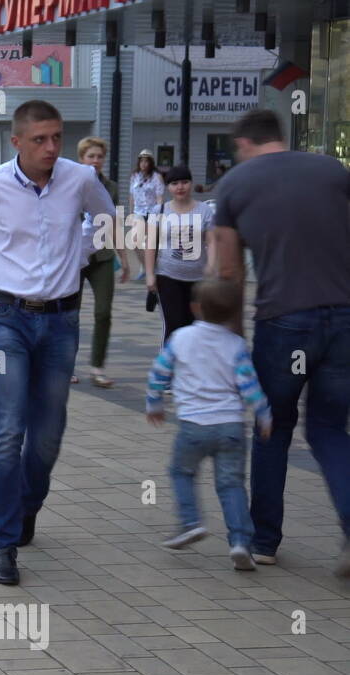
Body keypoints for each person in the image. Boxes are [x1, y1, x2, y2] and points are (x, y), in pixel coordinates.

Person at [0, 100, 117, 585]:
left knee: (49, 432)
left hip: (60, 322)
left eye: (56, 137)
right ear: (16, 142)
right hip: (2, 319)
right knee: (6, 429)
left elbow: (107, 222)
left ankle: (27, 505)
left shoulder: (80, 179)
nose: (51, 147)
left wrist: (78, 252)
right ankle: (2, 542)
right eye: (40, 139)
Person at [212, 108, 350, 575]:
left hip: (285, 323)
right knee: (330, 429)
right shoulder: (333, 171)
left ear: (244, 145)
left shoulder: (234, 185)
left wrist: (231, 345)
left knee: (272, 427)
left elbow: (228, 273)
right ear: (280, 137)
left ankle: (264, 539)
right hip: (344, 319)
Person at [146, 278, 272, 569]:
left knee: (181, 471)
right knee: (231, 485)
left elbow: (159, 372)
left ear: (195, 308)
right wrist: (263, 414)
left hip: (193, 425)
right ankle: (240, 541)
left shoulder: (181, 338)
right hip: (231, 427)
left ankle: (191, 522)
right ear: (231, 313)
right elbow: (248, 384)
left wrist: (155, 404)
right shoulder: (237, 344)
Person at [74, 136, 131, 388]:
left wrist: (124, 257)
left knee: (103, 312)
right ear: (82, 159)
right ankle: (65, 365)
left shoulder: (111, 187)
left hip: (103, 255)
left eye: (99, 157)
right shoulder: (70, 184)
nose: (96, 161)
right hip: (74, 257)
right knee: (68, 313)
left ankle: (97, 366)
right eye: (91, 156)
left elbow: (114, 221)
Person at [144, 165, 215, 346]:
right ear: (168, 187)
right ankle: (167, 368)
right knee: (173, 324)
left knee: (195, 325)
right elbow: (151, 244)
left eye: (184, 182)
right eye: (175, 183)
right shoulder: (159, 211)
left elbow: (212, 242)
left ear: (191, 184)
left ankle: (191, 369)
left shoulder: (204, 210)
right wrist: (150, 275)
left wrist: (211, 267)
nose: (180, 187)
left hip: (198, 278)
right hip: (168, 276)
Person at [130, 149, 165, 281]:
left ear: (151, 163)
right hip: (139, 212)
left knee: (151, 243)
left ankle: (152, 268)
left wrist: (160, 214)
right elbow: (131, 195)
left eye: (146, 161)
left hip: (152, 212)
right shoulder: (135, 176)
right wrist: (131, 212)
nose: (144, 164)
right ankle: (145, 266)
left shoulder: (156, 177)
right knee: (134, 241)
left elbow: (160, 197)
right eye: (142, 161)